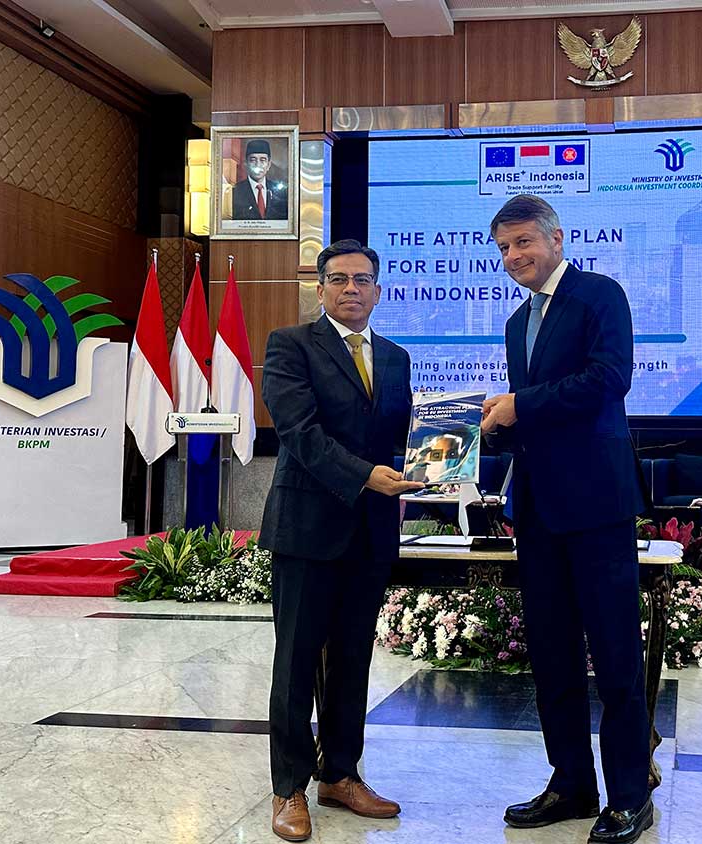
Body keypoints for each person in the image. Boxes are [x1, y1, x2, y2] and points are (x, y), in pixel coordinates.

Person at [481, 195, 654, 844]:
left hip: (597, 507)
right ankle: (572, 784)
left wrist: (519, 406)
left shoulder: (598, 295)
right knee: (551, 656)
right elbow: (533, 418)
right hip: (539, 510)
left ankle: (630, 796)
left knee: (615, 657)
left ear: (556, 239)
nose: (513, 256)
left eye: (523, 242)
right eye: (504, 248)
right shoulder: (516, 321)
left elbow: (609, 380)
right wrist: (491, 429)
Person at [259, 239, 423, 842]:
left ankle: (340, 775)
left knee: (353, 661)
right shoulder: (290, 346)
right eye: (339, 279)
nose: (351, 288)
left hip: (370, 532)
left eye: (362, 279)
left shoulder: (397, 357)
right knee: (296, 663)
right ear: (321, 288)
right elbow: (299, 433)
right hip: (307, 529)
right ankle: (289, 788)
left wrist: (448, 448)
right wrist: (364, 476)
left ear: (378, 290)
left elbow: (402, 438)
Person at [230, 138, 290, 220]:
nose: (258, 165)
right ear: (246, 163)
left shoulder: (281, 193)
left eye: (262, 160)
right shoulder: (235, 191)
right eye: (253, 160)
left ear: (268, 164)